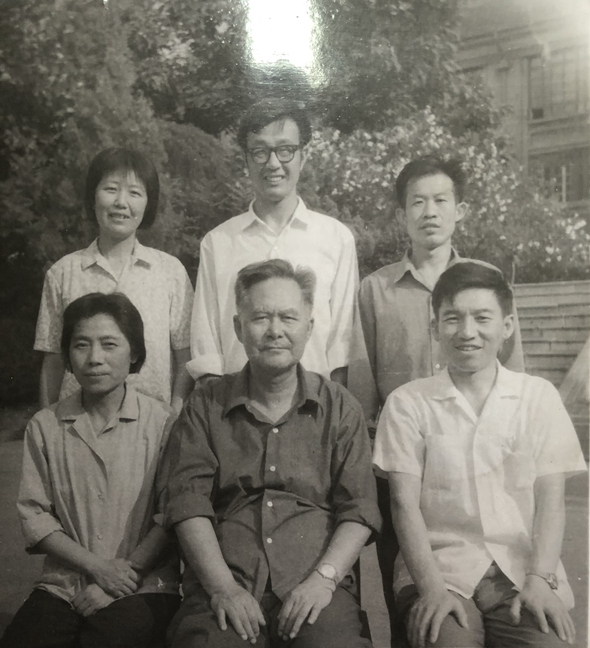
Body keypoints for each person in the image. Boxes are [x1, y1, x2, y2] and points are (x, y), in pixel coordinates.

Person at [347, 155, 525, 645]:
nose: (430, 212)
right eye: (417, 202)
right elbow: (361, 389)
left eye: (440, 200)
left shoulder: (487, 281)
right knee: (411, 607)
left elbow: (516, 380)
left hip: (478, 464)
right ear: (401, 214)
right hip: (402, 470)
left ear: (459, 210)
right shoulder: (375, 290)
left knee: (491, 594)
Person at [161, 259, 381, 648]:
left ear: (308, 328)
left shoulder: (340, 406)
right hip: (225, 584)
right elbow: (187, 505)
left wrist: (323, 581)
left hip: (314, 587)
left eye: (288, 318)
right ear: (238, 327)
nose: (275, 331)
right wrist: (223, 588)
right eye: (260, 317)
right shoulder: (205, 405)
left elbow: (359, 510)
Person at [373, 262, 586, 648]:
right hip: (440, 572)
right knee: (446, 640)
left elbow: (551, 501)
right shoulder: (407, 403)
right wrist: (432, 589)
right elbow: (403, 505)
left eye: (482, 318)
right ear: (435, 327)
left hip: (522, 572)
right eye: (453, 318)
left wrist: (540, 579)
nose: (467, 332)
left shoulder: (538, 397)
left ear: (507, 326)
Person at [1, 293, 181, 648]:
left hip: (143, 583)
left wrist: (122, 576)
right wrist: (97, 569)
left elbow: (170, 515)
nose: (95, 358)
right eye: (81, 345)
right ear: (68, 354)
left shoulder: (163, 423)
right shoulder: (45, 426)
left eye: (109, 344)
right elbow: (36, 517)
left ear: (134, 353)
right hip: (64, 585)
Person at [188, 98, 358, 387]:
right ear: (246, 160)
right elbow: (206, 344)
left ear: (303, 156)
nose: (273, 163)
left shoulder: (336, 238)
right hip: (235, 403)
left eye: (285, 150)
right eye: (260, 152)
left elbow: (343, 344)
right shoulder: (218, 242)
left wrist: (332, 406)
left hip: (317, 401)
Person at [35, 147, 194, 414]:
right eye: (111, 189)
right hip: (76, 426)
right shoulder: (63, 273)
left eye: (134, 192)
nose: (121, 202)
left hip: (154, 427)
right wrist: (48, 427)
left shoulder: (170, 272)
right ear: (93, 197)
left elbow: (185, 358)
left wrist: (174, 418)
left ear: (148, 203)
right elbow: (52, 361)